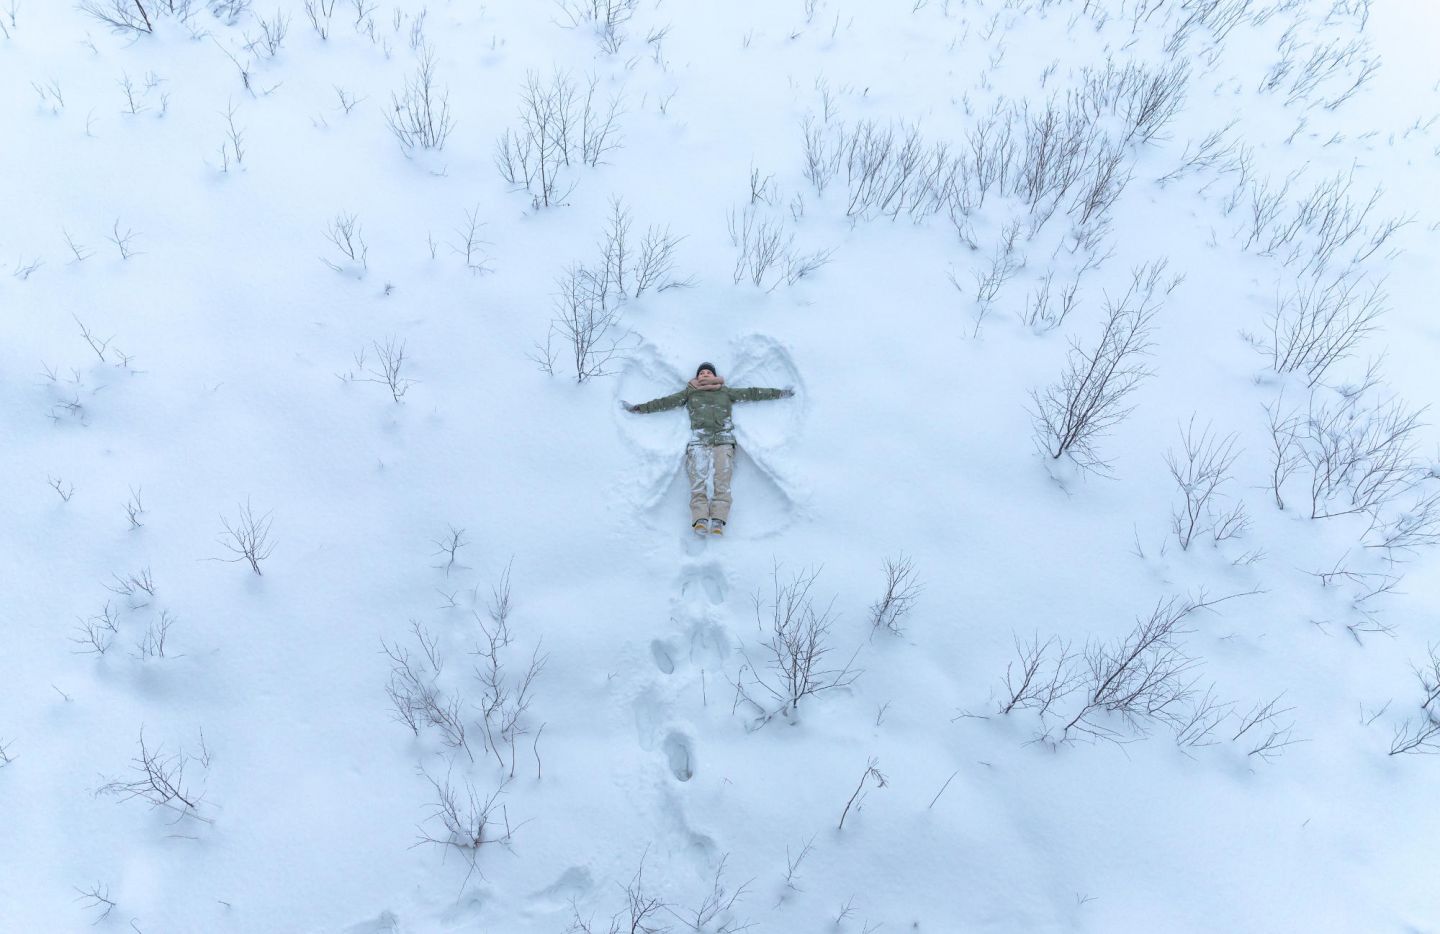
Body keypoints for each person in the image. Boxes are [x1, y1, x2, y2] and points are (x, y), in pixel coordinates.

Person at [624, 363, 793, 535]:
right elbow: (665, 402)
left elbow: (752, 393)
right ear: (697, 377)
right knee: (698, 481)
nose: (704, 374)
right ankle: (700, 520)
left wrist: (779, 393)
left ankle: (718, 520)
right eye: (701, 373)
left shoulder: (725, 391)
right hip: (699, 440)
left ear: (714, 376)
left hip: (724, 439)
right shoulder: (689, 393)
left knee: (722, 481)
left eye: (708, 372)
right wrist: (639, 408)